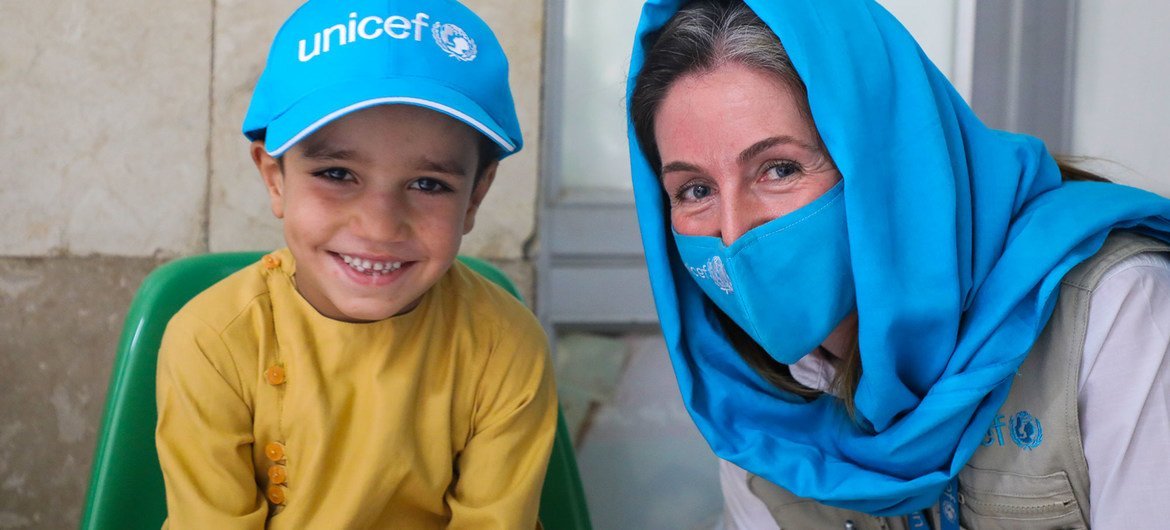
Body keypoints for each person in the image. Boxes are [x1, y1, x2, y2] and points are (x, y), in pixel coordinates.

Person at [626, 0, 1170, 528]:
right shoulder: (747, 408)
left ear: (881, 161)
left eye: (779, 169)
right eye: (695, 189)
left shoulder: (1114, 310)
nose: (734, 231)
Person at [154, 0, 556, 527]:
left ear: (476, 196)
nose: (380, 226)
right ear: (275, 177)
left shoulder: (504, 347)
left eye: (428, 184)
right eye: (338, 174)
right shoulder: (213, 341)